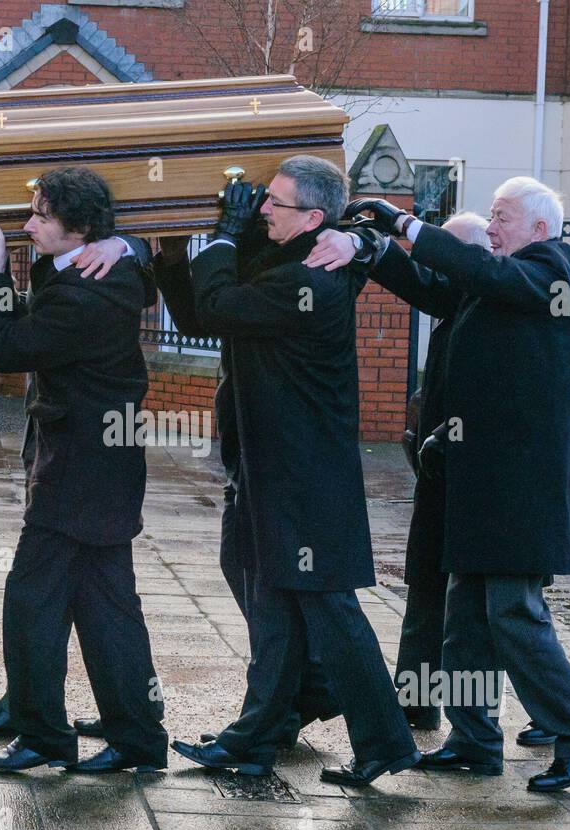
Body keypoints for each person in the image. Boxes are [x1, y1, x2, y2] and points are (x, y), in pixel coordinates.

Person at [317, 177, 570, 792]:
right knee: (465, 621)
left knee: (514, 615)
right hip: (484, 490)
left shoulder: (549, 272)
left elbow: (483, 275)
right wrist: (374, 247)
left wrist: (408, 225)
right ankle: (474, 740)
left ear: (539, 227)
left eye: (501, 217)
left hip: (519, 494)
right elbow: (432, 290)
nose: (490, 228)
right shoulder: (502, 284)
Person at [157, 155, 420, 787]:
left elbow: (221, 305)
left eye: (275, 202)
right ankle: (257, 736)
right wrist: (171, 246)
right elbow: (201, 315)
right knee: (271, 601)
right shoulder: (286, 264)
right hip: (272, 466)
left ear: (314, 217)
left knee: (330, 606)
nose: (262, 208)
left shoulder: (312, 279)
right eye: (263, 199)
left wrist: (222, 234)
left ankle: (384, 740)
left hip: (304, 476)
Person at [0, 166, 168, 774]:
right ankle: (137, 738)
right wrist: (124, 242)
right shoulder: (104, 266)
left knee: (31, 600)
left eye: (41, 217)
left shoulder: (84, 290)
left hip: (78, 471)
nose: (27, 225)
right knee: (109, 607)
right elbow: (147, 275)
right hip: (102, 467)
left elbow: (7, 347)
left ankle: (44, 736)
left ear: (78, 228)